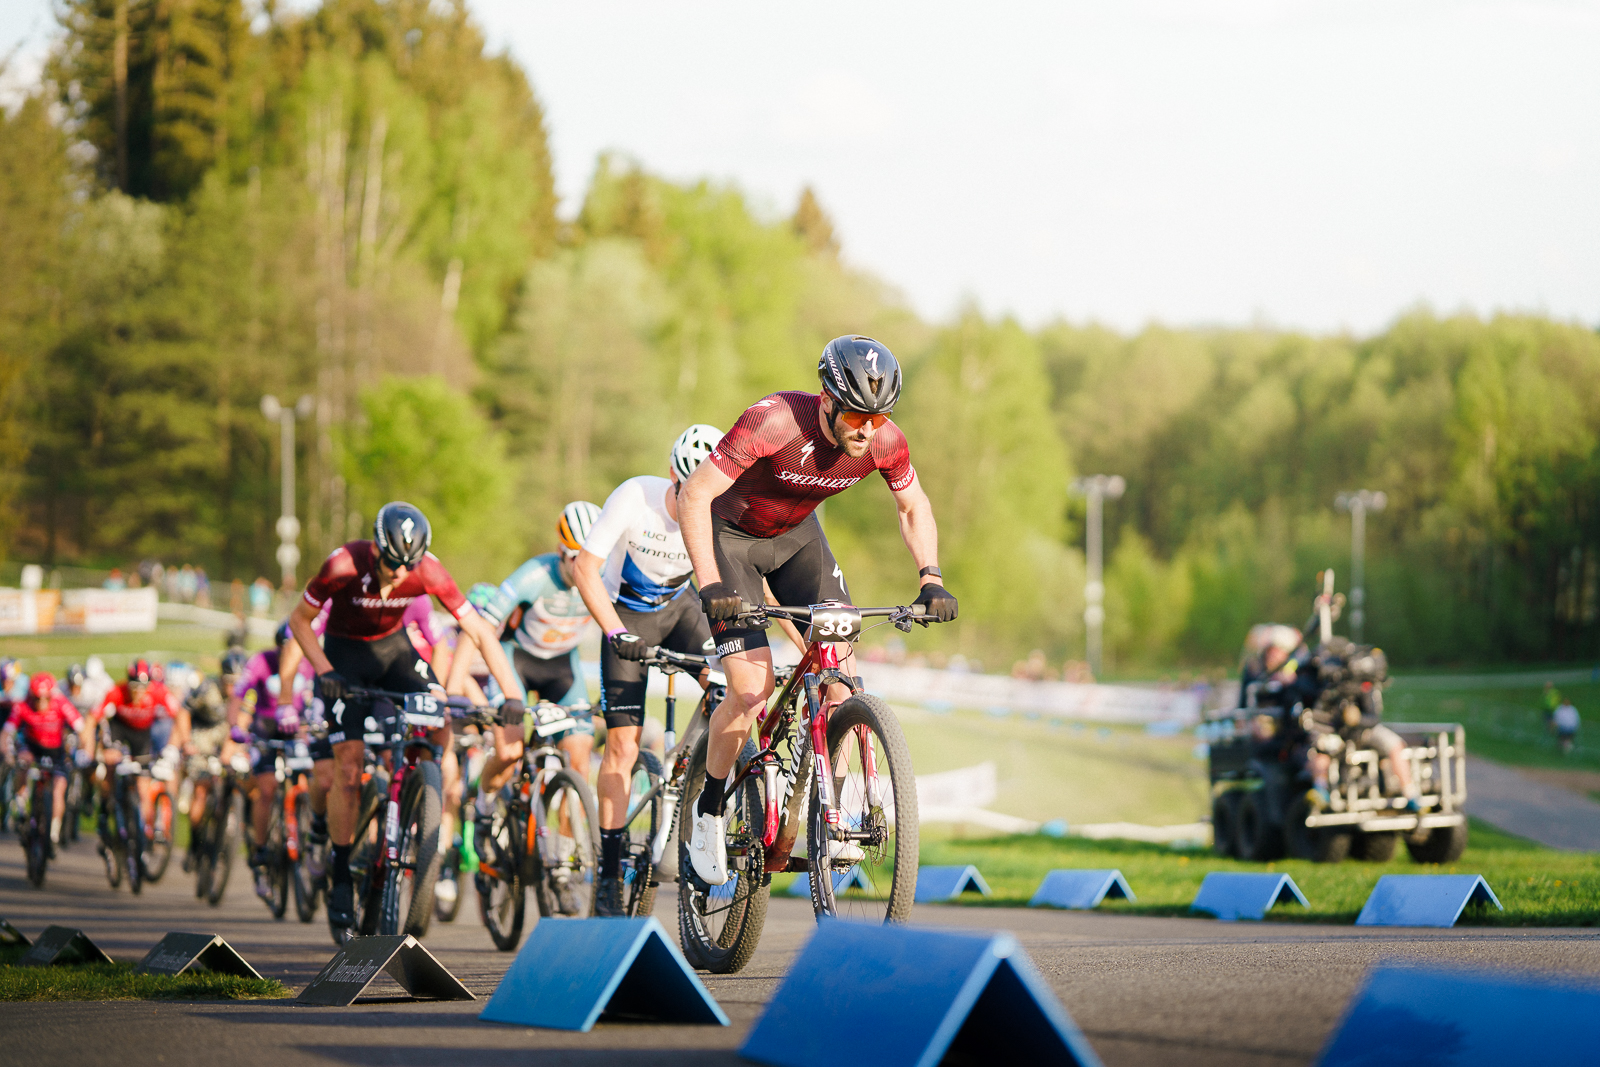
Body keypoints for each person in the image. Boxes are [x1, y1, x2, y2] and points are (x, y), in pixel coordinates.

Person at [676, 335, 958, 885]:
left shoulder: (883, 441)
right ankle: (708, 812)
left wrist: (931, 578)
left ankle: (837, 812)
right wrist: (709, 584)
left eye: (879, 418)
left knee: (842, 677)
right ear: (828, 399)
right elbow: (694, 495)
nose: (867, 429)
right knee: (749, 687)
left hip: (797, 541)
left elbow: (913, 505)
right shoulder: (775, 422)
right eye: (857, 415)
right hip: (729, 540)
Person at [285, 500, 530, 937]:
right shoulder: (341, 564)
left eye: (408, 566)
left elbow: (478, 632)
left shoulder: (428, 571)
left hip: (394, 651)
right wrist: (324, 673)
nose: (399, 574)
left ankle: (425, 787)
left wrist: (511, 693)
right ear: (377, 549)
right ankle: (340, 874)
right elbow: (300, 621)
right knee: (348, 764)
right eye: (392, 563)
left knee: (437, 710)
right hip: (343, 655)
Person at [570, 427, 726, 915]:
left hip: (681, 613)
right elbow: (583, 568)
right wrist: (616, 633)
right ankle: (609, 870)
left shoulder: (721, 510)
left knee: (729, 685)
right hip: (627, 617)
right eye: (692, 493)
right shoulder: (635, 496)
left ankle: (693, 771)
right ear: (676, 482)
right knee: (622, 745)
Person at [230, 622, 306, 901]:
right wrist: (234, 726)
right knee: (267, 789)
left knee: (307, 781)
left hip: (298, 730)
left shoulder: (308, 662)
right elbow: (238, 694)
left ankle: (304, 822)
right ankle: (260, 851)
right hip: (265, 729)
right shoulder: (261, 661)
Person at [92, 659, 189, 844]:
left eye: (143, 687)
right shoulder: (116, 692)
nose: (138, 692)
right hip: (119, 731)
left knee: (143, 785)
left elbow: (181, 714)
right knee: (111, 766)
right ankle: (105, 808)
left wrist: (183, 743)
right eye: (134, 686)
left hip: (141, 736)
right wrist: (92, 748)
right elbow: (93, 717)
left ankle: (144, 832)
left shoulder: (159, 692)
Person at [0, 673, 94, 849]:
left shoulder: (61, 703)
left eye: (45, 698)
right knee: (23, 762)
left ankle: (53, 831)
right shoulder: (22, 705)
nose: (41, 702)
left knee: (59, 787)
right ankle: (21, 807)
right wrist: (8, 753)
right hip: (31, 747)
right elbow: (6, 733)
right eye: (37, 698)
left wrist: (84, 751)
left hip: (55, 750)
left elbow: (83, 729)